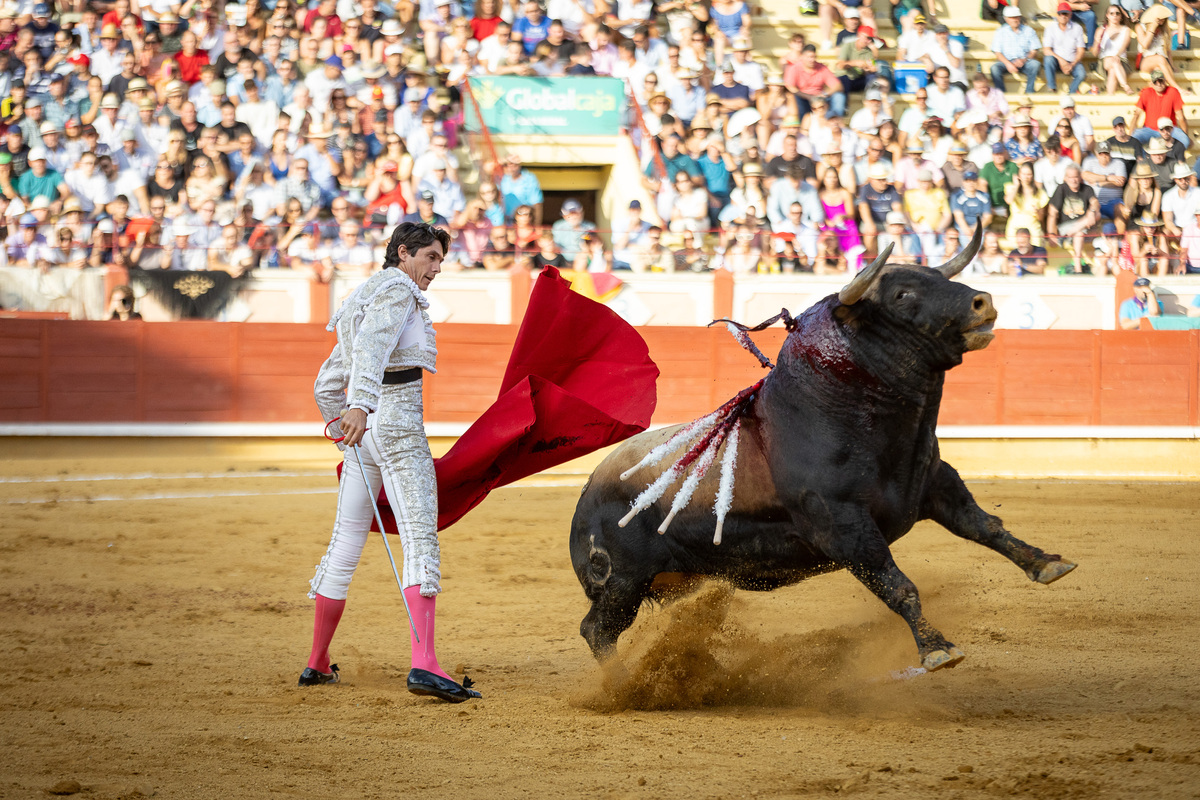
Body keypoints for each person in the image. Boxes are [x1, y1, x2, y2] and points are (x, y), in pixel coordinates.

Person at [305, 222, 479, 704]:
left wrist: (345, 430)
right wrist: (359, 408)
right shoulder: (400, 290)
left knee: (344, 543)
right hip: (397, 424)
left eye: (441, 260)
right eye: (430, 258)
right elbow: (373, 351)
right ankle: (425, 665)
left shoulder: (362, 294)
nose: (436, 269)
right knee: (420, 538)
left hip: (365, 436)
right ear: (403, 254)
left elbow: (326, 381)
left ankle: (317, 661)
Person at [1047, 165, 1099, 273]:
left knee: (1094, 214)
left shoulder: (1087, 189)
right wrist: (1051, 233)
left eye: (1076, 177)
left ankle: (1077, 269)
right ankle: (1078, 269)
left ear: (1080, 177)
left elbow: (1095, 203)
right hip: (1066, 226)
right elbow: (1052, 213)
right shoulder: (1061, 188)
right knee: (1079, 233)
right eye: (1070, 177)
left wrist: (1092, 211)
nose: (1073, 180)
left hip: (1083, 226)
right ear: (1065, 178)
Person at [990, 6, 1042, 94]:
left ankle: (1029, 91)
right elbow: (997, 53)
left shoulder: (1029, 31)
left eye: (1016, 17)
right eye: (1011, 17)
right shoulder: (1000, 32)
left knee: (1035, 64)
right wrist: (1008, 64)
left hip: (1024, 61)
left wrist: (1023, 60)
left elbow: (1034, 51)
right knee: (994, 68)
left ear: (1020, 17)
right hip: (1006, 61)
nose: (1014, 20)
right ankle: (1001, 93)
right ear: (1005, 19)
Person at [1042, 1, 1087, 95]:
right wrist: (1061, 61)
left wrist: (1072, 64)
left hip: (1072, 61)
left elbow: (1081, 50)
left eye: (1065, 14)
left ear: (1070, 15)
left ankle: (1071, 93)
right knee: (1048, 59)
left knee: (1082, 73)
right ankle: (1052, 89)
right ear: (1057, 15)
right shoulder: (1050, 28)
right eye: (1061, 14)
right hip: (1057, 61)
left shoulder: (1077, 28)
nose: (1063, 16)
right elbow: (1046, 50)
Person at [1092, 5, 1135, 95]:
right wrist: (1097, 42)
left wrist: (1117, 55)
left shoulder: (1126, 30)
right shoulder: (1101, 30)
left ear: (1120, 16)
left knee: (1113, 70)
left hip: (1121, 61)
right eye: (1112, 13)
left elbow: (1124, 46)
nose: (1114, 15)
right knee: (1112, 61)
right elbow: (1094, 53)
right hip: (1105, 61)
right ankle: (1126, 87)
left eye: (1117, 13)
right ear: (1107, 15)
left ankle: (1110, 96)